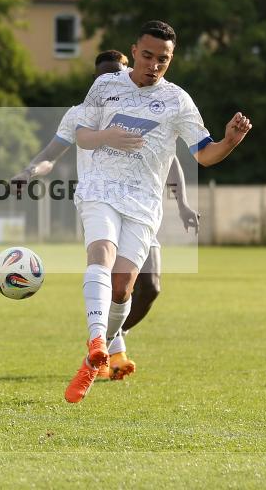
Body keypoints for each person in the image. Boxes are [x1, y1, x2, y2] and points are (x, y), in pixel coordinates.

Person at [65, 20, 251, 403]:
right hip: (101, 190)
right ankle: (98, 341)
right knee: (101, 253)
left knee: (124, 288)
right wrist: (106, 136)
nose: (153, 65)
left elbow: (204, 154)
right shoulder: (105, 86)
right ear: (134, 51)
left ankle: (94, 358)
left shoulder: (178, 101)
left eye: (162, 59)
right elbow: (81, 135)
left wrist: (230, 142)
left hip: (144, 204)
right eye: (147, 56)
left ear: (171, 58)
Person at [11, 49, 200, 382]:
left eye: (117, 72)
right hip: (100, 203)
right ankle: (107, 347)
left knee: (148, 287)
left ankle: (110, 338)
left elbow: (169, 160)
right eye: (104, 75)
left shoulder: (146, 109)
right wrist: (28, 172)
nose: (111, 78)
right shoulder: (80, 113)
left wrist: (182, 203)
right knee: (109, 271)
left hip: (142, 207)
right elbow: (50, 155)